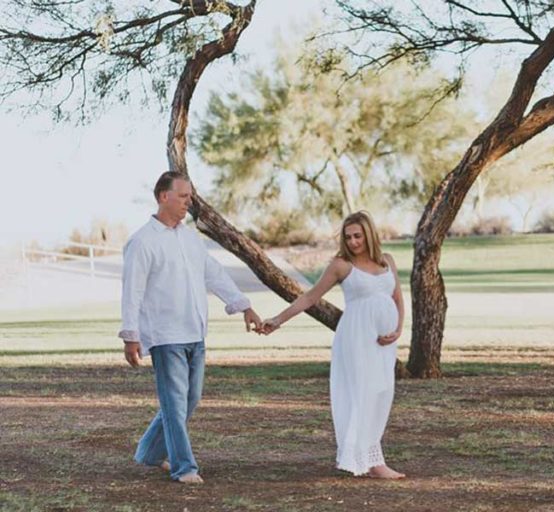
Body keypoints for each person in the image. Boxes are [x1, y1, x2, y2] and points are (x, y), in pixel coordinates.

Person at [119, 171, 261, 484]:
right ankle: (185, 467)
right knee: (173, 403)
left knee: (189, 400)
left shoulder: (189, 238)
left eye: (190, 196)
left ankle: (149, 453)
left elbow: (214, 274)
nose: (189, 202)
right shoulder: (141, 242)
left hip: (195, 331)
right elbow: (132, 292)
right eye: (183, 196)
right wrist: (131, 336)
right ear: (163, 196)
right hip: (165, 335)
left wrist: (244, 306)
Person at [260, 210, 406, 479]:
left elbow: (397, 297)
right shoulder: (341, 265)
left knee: (382, 392)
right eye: (348, 237)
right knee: (364, 392)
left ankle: (370, 456)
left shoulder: (387, 261)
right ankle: (372, 460)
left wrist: (398, 329)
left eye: (358, 236)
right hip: (356, 337)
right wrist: (278, 320)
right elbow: (310, 297)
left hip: (384, 342)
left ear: (369, 234)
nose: (352, 241)